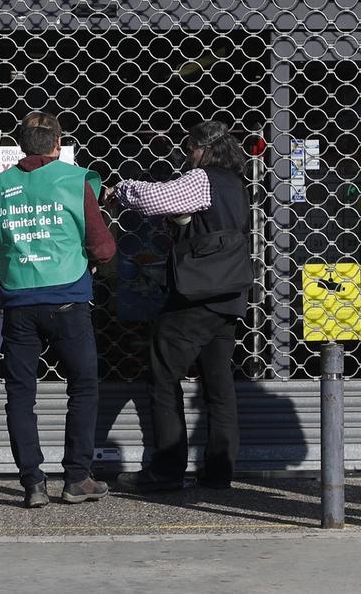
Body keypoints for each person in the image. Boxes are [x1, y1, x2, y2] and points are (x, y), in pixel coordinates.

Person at [0, 111, 116, 509]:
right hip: (68, 299)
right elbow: (103, 248)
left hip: (19, 301)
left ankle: (32, 483)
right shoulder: (76, 180)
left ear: (21, 145)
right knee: (84, 385)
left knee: (21, 393)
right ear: (58, 144)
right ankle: (77, 477)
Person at [105, 120, 252, 493]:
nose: (189, 156)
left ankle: (167, 470)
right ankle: (218, 472)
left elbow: (155, 198)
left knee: (162, 377)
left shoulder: (203, 179)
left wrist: (121, 190)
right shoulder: (237, 184)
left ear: (205, 149)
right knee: (219, 387)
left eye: (191, 149)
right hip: (228, 297)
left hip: (196, 296)